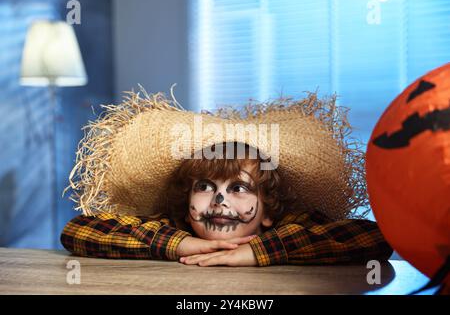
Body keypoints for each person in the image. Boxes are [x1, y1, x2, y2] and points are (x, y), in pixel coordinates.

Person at [60, 89, 392, 266]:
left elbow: (373, 238)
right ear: (187, 198)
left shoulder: (292, 226)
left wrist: (257, 252)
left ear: (269, 211)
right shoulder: (176, 227)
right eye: (205, 187)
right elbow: (78, 232)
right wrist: (183, 244)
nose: (219, 201)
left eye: (238, 188)